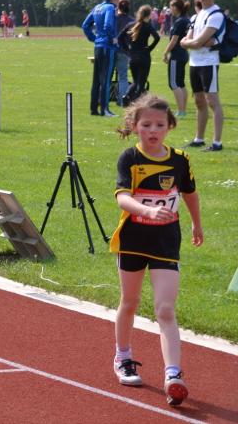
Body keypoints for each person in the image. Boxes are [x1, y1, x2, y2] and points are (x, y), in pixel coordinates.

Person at [110, 93, 202, 407]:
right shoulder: (130, 158)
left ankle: (173, 375)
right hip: (133, 239)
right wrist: (147, 210)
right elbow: (122, 197)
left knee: (165, 309)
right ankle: (123, 357)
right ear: (135, 126)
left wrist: (197, 224)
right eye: (147, 124)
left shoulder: (180, 160)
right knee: (130, 301)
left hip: (166, 241)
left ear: (169, 126)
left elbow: (190, 193)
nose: (153, 130)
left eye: (159, 125)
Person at [180, 0, 225, 152]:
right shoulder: (196, 15)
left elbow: (195, 42)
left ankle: (217, 143)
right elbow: (190, 41)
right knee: (199, 101)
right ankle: (199, 139)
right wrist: (193, 43)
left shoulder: (216, 14)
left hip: (208, 62)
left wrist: (191, 43)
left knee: (212, 101)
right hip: (194, 62)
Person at [82, 0, 121, 117]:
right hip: (107, 47)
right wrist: (112, 39)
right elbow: (108, 25)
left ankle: (94, 109)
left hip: (98, 46)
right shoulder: (110, 8)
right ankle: (105, 109)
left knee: (96, 80)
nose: (119, 2)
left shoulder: (97, 7)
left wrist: (94, 38)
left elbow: (85, 25)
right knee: (106, 79)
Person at [119, 5, 159, 106]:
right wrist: (149, 48)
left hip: (133, 57)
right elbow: (157, 37)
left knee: (135, 82)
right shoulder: (147, 26)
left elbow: (120, 38)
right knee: (141, 83)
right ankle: (137, 103)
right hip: (144, 57)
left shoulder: (130, 25)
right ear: (149, 15)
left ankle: (126, 97)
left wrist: (127, 50)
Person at [162, 0, 191, 118]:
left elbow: (174, 40)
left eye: (171, 6)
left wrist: (165, 53)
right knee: (180, 83)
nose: (170, 9)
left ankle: (181, 111)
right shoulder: (185, 19)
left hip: (177, 56)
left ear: (175, 7)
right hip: (183, 54)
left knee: (173, 83)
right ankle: (182, 110)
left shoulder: (179, 21)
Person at [114, 0, 134, 106]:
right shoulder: (132, 21)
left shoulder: (114, 18)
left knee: (106, 77)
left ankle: (102, 101)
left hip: (112, 50)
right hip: (124, 51)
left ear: (118, 7)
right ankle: (122, 100)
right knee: (123, 77)